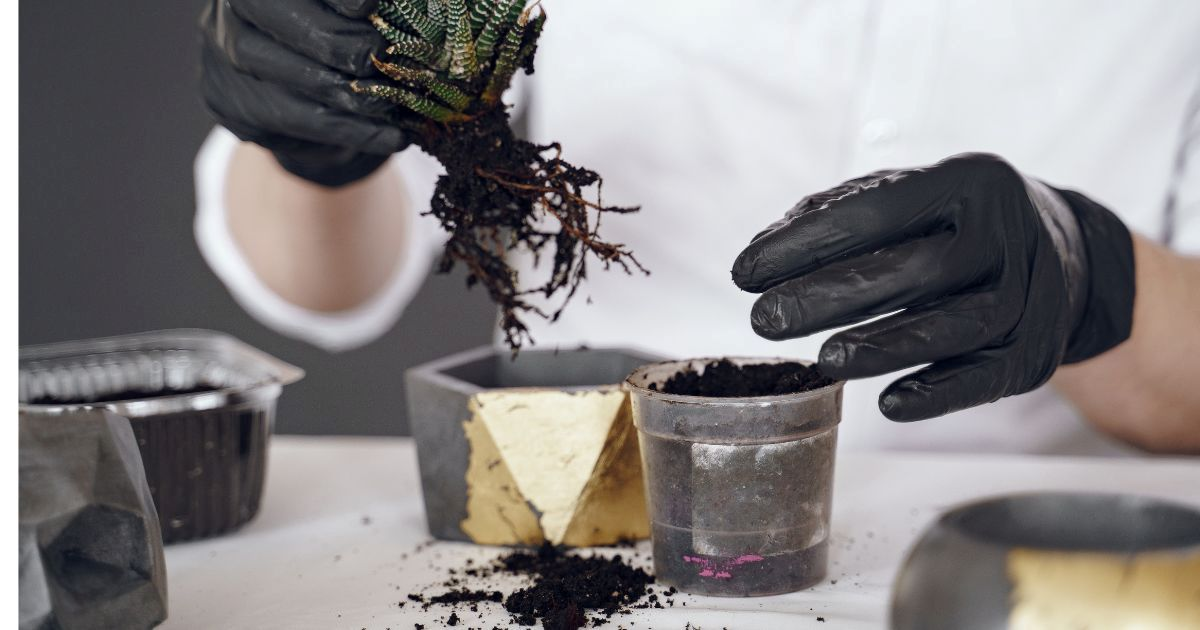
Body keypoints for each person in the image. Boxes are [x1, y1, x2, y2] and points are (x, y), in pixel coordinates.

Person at [196, 0, 1200, 455]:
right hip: (584, 512)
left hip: (997, 561)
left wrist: (1091, 283)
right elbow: (314, 279)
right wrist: (314, 142)